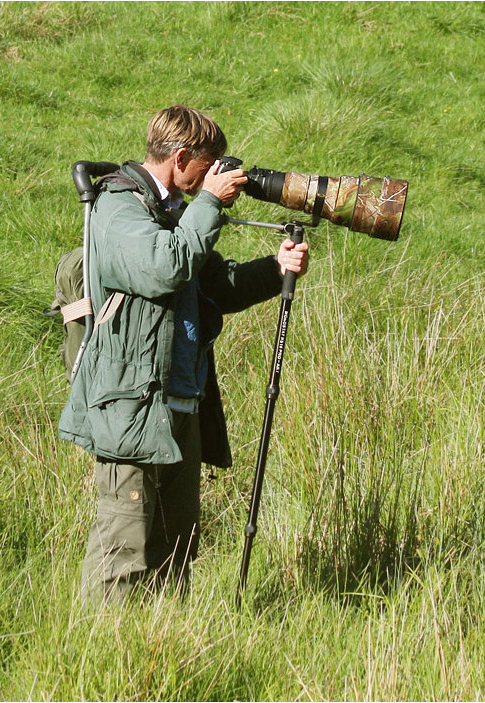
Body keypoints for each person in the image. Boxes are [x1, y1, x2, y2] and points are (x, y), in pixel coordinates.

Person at [58, 105, 309, 604]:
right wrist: (210, 203)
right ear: (181, 157)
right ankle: (100, 657)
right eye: (209, 165)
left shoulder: (173, 212)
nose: (215, 176)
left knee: (177, 545)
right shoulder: (117, 210)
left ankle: (164, 645)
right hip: (130, 409)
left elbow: (215, 285)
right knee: (124, 548)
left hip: (178, 407)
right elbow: (163, 267)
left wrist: (274, 267)